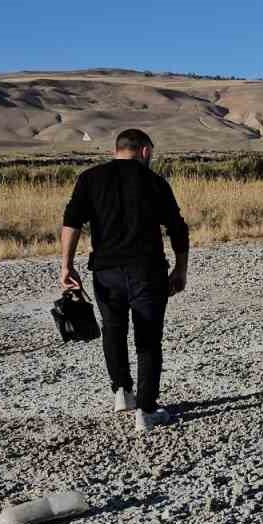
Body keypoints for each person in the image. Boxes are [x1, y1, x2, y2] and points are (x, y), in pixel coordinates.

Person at [60, 128, 189, 432]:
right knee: (148, 339)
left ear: (116, 149)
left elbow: (71, 221)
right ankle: (146, 410)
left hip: (105, 272)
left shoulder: (89, 179)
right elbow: (177, 228)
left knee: (113, 331)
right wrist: (180, 270)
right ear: (145, 151)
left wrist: (66, 265)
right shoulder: (155, 182)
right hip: (147, 271)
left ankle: (122, 392)